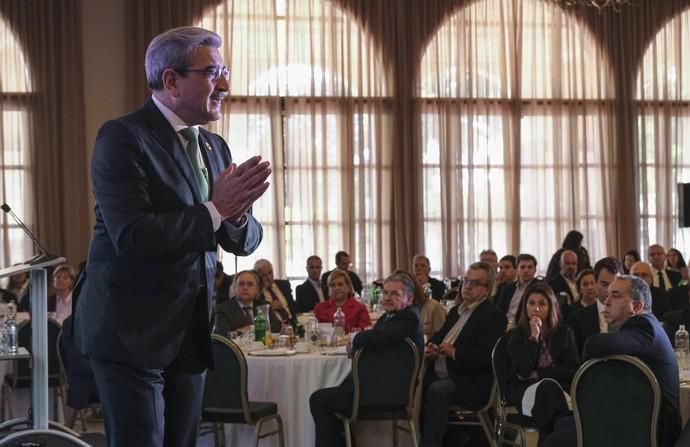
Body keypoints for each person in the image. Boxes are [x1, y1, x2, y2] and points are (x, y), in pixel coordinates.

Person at [73, 26, 270, 447]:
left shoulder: (215, 147)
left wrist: (232, 216)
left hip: (189, 331)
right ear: (171, 80)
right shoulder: (123, 138)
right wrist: (216, 208)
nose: (226, 84)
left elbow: (243, 238)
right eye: (213, 72)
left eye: (225, 70)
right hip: (130, 331)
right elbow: (133, 236)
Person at [543, 275, 681, 447]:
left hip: (649, 430)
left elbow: (595, 345)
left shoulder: (644, 326)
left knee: (553, 442)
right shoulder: (647, 325)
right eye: (607, 295)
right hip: (637, 417)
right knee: (560, 424)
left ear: (637, 306)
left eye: (615, 296)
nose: (606, 301)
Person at [309, 271, 424, 447]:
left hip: (387, 393)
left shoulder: (409, 318)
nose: (387, 297)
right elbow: (375, 339)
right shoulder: (389, 316)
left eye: (395, 294)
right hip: (378, 387)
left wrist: (355, 340)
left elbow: (380, 337)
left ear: (409, 299)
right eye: (385, 292)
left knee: (319, 400)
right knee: (326, 394)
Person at [420, 262, 507, 447]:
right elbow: (438, 336)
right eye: (466, 281)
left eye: (475, 283)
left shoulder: (493, 316)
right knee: (415, 384)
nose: (467, 286)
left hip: (470, 381)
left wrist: (454, 353)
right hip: (443, 373)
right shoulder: (455, 311)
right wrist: (433, 347)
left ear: (487, 289)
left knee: (437, 391)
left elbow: (485, 357)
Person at [504, 282, 579, 445]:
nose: (536, 308)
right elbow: (524, 372)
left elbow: (573, 370)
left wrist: (540, 373)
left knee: (549, 390)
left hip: (559, 390)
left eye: (542, 303)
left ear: (551, 306)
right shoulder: (516, 335)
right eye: (531, 303)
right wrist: (533, 337)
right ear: (525, 306)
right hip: (525, 391)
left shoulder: (564, 332)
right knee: (548, 389)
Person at [567, 257, 620, 356]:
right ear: (596, 283)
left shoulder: (631, 317)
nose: (609, 290)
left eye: (615, 284)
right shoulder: (577, 319)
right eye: (604, 284)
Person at [213, 270, 281, 336]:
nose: (245, 288)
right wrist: (253, 329)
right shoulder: (222, 309)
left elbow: (276, 329)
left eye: (250, 284)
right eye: (241, 284)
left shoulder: (264, 306)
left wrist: (248, 329)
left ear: (257, 289)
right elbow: (223, 336)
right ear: (234, 288)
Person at [496, 253, 540, 326]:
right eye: (522, 267)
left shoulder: (539, 287)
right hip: (504, 326)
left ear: (535, 270)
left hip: (525, 327)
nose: (526, 270)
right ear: (517, 269)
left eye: (529, 267)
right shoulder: (507, 288)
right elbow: (499, 310)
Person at [254, 258, 299, 324]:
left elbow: (293, 307)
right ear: (258, 276)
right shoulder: (256, 292)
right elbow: (256, 314)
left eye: (270, 273)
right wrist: (270, 308)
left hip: (292, 324)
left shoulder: (284, 285)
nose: (269, 277)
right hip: (275, 329)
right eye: (264, 275)